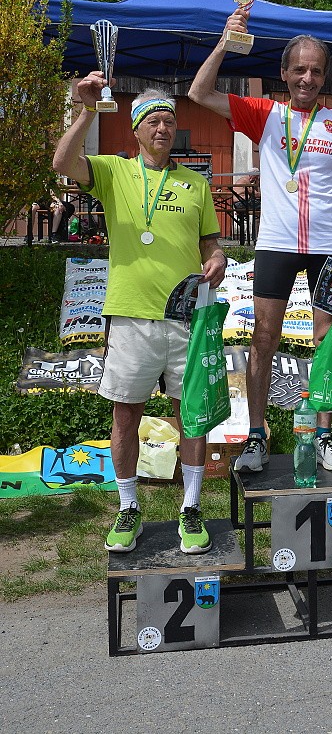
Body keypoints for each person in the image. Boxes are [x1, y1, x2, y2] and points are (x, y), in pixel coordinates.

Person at [188, 8, 332, 474]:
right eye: (300, 69)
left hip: (329, 244)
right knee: (264, 338)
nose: (308, 78)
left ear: (324, 76)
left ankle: (324, 435)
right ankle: (256, 436)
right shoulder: (265, 113)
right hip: (276, 243)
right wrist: (226, 41)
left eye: (316, 71)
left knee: (327, 337)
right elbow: (199, 92)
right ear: (284, 73)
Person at [53, 76, 227, 554]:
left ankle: (191, 507)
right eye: (153, 121)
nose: (163, 127)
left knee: (191, 416)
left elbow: (211, 245)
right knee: (126, 414)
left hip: (186, 318)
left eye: (169, 120)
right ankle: (128, 507)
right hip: (131, 316)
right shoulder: (114, 172)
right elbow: (62, 163)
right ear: (136, 129)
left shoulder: (196, 183)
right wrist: (86, 111)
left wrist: (216, 258)